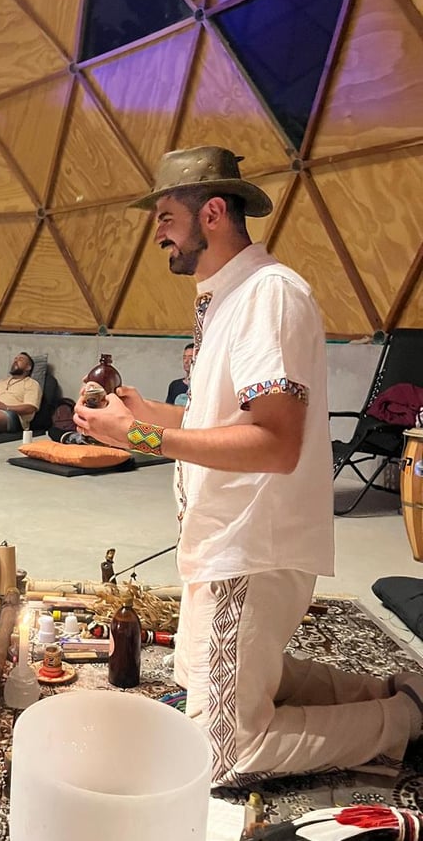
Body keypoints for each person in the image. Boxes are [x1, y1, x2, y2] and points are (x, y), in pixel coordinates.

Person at [73, 145, 423, 786]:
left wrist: (142, 438)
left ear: (211, 213)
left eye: (165, 216)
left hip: (250, 545)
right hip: (219, 537)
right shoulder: (229, 297)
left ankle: (405, 720)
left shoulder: (268, 296)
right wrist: (141, 414)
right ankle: (389, 691)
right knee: (200, 676)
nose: (158, 233)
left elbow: (275, 443)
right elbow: (220, 420)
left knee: (222, 755)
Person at [165, 342, 194, 406]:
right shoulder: (175, 385)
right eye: (184, 358)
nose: (186, 361)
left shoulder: (203, 386)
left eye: (190, 358)